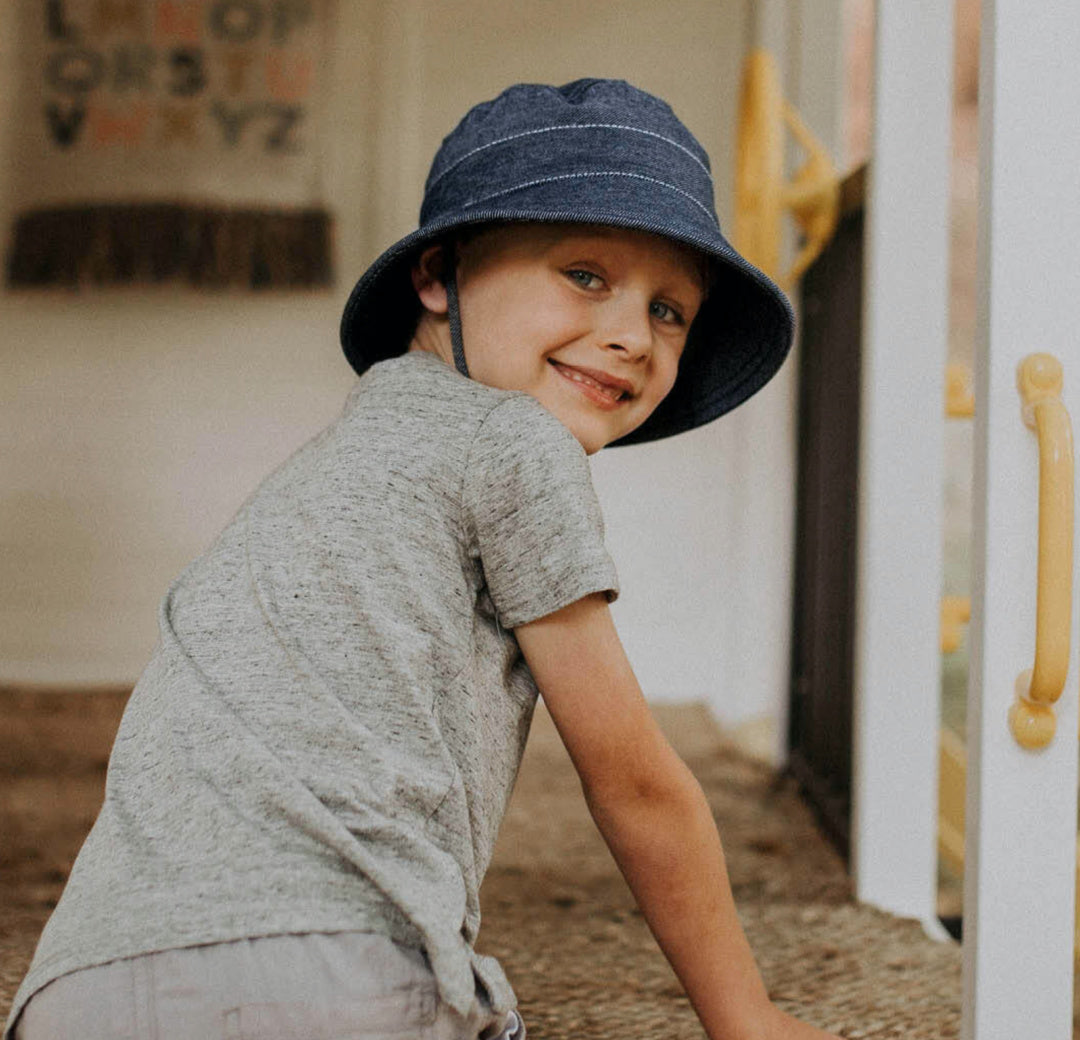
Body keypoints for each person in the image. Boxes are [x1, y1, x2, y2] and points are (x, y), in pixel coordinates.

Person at [5, 79, 841, 1040]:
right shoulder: (515, 443)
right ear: (439, 277)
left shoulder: (331, 464)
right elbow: (635, 782)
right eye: (584, 275)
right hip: (330, 970)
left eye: (669, 312)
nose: (628, 335)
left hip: (77, 987)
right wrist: (746, 1017)